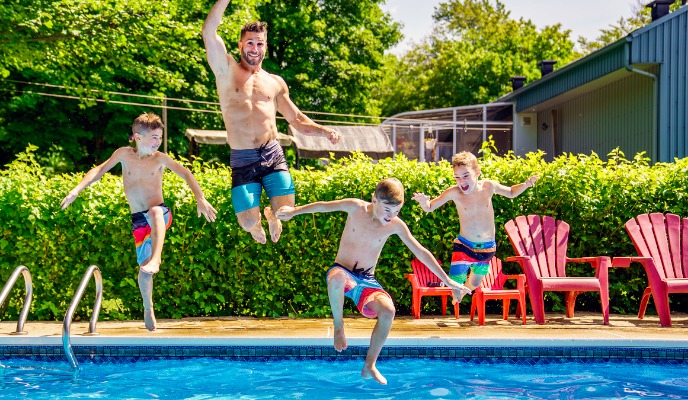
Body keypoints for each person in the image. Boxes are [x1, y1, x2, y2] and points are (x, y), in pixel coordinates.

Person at [276, 178, 470, 385]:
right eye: (387, 209)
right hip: (342, 271)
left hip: (367, 281)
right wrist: (294, 211)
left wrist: (447, 280)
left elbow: (421, 252)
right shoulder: (355, 208)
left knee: (388, 311)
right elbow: (324, 206)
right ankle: (339, 327)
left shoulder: (395, 225)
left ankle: (369, 365)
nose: (391, 216)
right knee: (338, 278)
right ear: (374, 199)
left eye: (396, 211)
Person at [60, 113, 217, 331]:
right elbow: (98, 170)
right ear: (138, 137)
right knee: (144, 273)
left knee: (154, 214)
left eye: (160, 137)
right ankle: (148, 305)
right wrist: (76, 190)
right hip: (139, 221)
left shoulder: (160, 159)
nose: (158, 142)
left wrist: (200, 198)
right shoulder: (124, 154)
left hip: (160, 215)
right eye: (154, 137)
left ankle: (157, 258)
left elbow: (185, 173)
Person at [202, 0, 341, 245]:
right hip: (243, 157)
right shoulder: (225, 70)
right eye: (250, 43)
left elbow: (296, 119)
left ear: (265, 46)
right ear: (240, 45)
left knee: (285, 214)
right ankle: (256, 222)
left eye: (259, 43)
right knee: (246, 222)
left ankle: (272, 216)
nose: (254, 48)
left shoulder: (275, 82)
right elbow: (209, 31)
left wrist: (324, 131)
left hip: (272, 153)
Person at [412, 151, 538, 304]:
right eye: (457, 177)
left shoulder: (488, 186)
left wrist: (526, 184)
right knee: (455, 284)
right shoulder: (454, 193)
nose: (461, 181)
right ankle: (456, 293)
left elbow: (511, 192)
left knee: (475, 283)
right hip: (464, 245)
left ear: (477, 172)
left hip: (487, 248)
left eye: (466, 176)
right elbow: (430, 207)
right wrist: (423, 202)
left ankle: (463, 291)